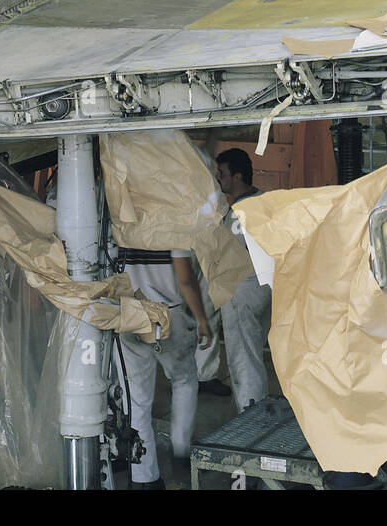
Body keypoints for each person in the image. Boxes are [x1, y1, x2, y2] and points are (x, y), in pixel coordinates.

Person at [115, 245, 212, 489]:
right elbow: (186, 281)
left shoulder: (122, 223)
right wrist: (202, 319)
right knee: (184, 381)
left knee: (136, 400)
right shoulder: (170, 223)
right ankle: (180, 449)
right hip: (171, 315)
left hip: (130, 313)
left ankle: (145, 477)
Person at [211, 148, 273, 413]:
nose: (218, 179)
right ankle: (255, 409)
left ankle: (250, 415)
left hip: (241, 292)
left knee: (243, 359)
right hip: (264, 287)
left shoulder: (239, 213)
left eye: (222, 174)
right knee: (253, 353)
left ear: (237, 176)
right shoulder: (264, 201)